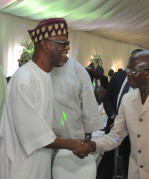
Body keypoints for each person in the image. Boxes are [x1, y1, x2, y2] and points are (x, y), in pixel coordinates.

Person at [0, 18, 92, 179]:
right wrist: (73, 144)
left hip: (39, 164)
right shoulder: (24, 79)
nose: (67, 47)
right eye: (62, 42)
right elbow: (34, 133)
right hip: (22, 168)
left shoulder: (44, 76)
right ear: (44, 44)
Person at [97, 49, 142, 179]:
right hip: (113, 123)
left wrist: (126, 122)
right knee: (108, 157)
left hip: (134, 129)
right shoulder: (118, 77)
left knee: (130, 159)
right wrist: (115, 117)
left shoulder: (144, 82)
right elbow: (107, 99)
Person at [51, 56, 103, 140]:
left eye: (67, 43)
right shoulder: (39, 70)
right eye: (62, 44)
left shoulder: (77, 69)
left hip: (73, 136)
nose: (67, 48)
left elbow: (88, 105)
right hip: (45, 138)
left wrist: (88, 136)